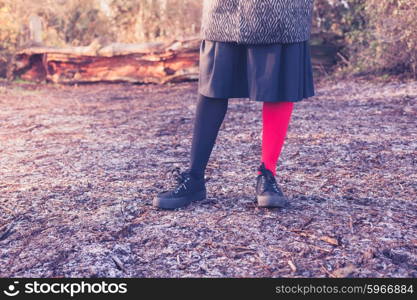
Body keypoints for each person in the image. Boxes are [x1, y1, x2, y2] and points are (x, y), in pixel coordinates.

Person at [153, 0, 315, 209]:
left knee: (279, 85)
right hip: (225, 12)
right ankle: (194, 179)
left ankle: (267, 175)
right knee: (212, 87)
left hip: (282, 12)